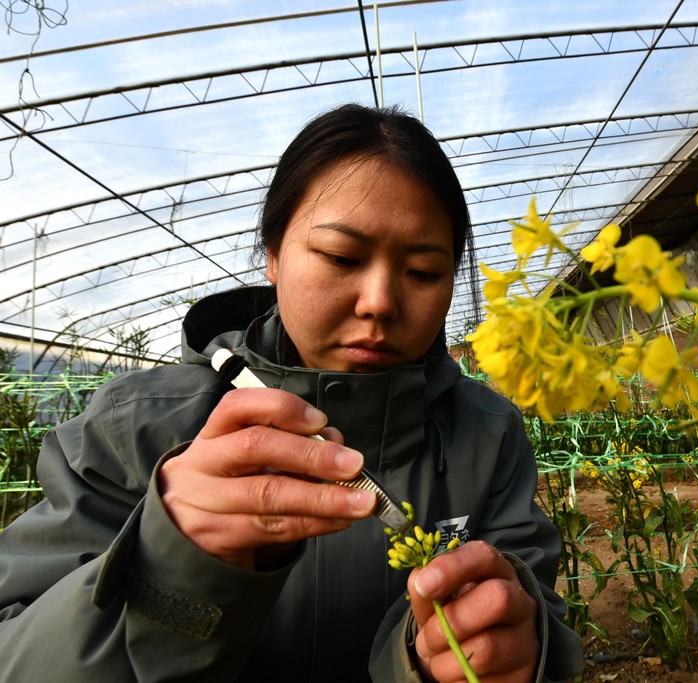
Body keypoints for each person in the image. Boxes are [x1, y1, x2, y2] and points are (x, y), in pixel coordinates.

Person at [0, 103, 584, 682]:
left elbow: (535, 612)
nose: (379, 301)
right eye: (340, 256)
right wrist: (170, 562)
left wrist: (512, 646)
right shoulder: (136, 426)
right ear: (274, 255)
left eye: (425, 272)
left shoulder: (489, 431)